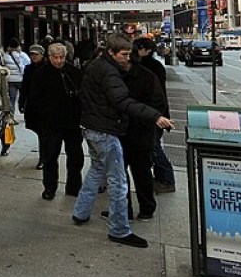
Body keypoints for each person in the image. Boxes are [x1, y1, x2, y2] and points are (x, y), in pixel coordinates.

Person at [72, 34, 174, 249]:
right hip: (105, 131)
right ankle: (119, 230)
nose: (127, 58)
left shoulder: (96, 66)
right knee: (118, 182)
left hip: (93, 128)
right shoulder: (109, 71)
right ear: (111, 52)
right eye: (124, 54)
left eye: (129, 54)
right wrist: (154, 116)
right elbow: (122, 100)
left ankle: (80, 212)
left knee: (96, 171)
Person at [24, 43, 84, 200]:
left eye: (61, 57)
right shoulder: (41, 74)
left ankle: (74, 186)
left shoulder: (74, 73)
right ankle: (50, 187)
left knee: (75, 157)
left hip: (72, 123)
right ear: (49, 57)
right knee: (50, 157)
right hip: (51, 124)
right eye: (55, 58)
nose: (58, 61)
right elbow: (34, 99)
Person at [120, 57, 167, 221]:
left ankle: (146, 208)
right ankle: (124, 209)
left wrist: (143, 120)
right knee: (120, 173)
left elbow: (158, 103)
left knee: (141, 172)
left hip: (140, 131)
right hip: (123, 131)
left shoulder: (147, 76)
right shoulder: (115, 73)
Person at [133, 37, 176, 194]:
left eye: (138, 47)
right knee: (153, 146)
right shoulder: (153, 66)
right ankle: (161, 178)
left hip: (154, 113)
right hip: (154, 112)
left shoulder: (148, 68)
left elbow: (154, 94)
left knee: (154, 146)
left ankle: (166, 179)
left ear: (147, 50)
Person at [18, 44, 46, 167]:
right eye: (32, 54)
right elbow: (24, 86)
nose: (34, 57)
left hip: (45, 105)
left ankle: (44, 157)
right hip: (32, 104)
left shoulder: (47, 68)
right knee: (39, 130)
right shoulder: (28, 69)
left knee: (44, 132)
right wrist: (21, 101)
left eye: (36, 54)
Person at [2, 38, 30, 119]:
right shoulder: (22, 55)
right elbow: (28, 63)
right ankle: (25, 114)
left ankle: (11, 116)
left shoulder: (6, 56)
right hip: (21, 80)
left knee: (12, 98)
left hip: (11, 80)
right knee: (24, 97)